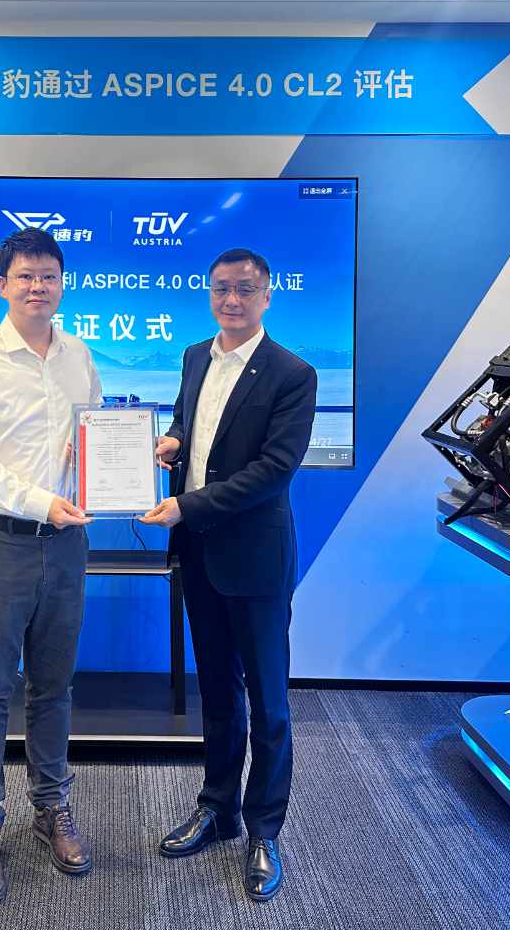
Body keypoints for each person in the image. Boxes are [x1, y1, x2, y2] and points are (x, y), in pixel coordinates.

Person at [140, 247, 317, 902]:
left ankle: (264, 832)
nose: (232, 300)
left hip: (255, 557)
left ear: (267, 294)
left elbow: (274, 469)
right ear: (209, 293)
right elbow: (192, 426)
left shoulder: (293, 373)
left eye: (245, 289)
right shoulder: (195, 356)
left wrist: (187, 504)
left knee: (269, 704)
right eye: (221, 289)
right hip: (199, 553)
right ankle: (218, 808)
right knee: (217, 691)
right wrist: (173, 441)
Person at [0, 227, 101, 904]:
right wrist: (41, 501)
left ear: (63, 284)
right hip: (0, 541)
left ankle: (51, 805)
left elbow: (96, 430)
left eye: (49, 276)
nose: (39, 286)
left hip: (66, 545)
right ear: (3, 283)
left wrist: (113, 459)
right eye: (26, 276)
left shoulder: (79, 354)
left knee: (54, 686)